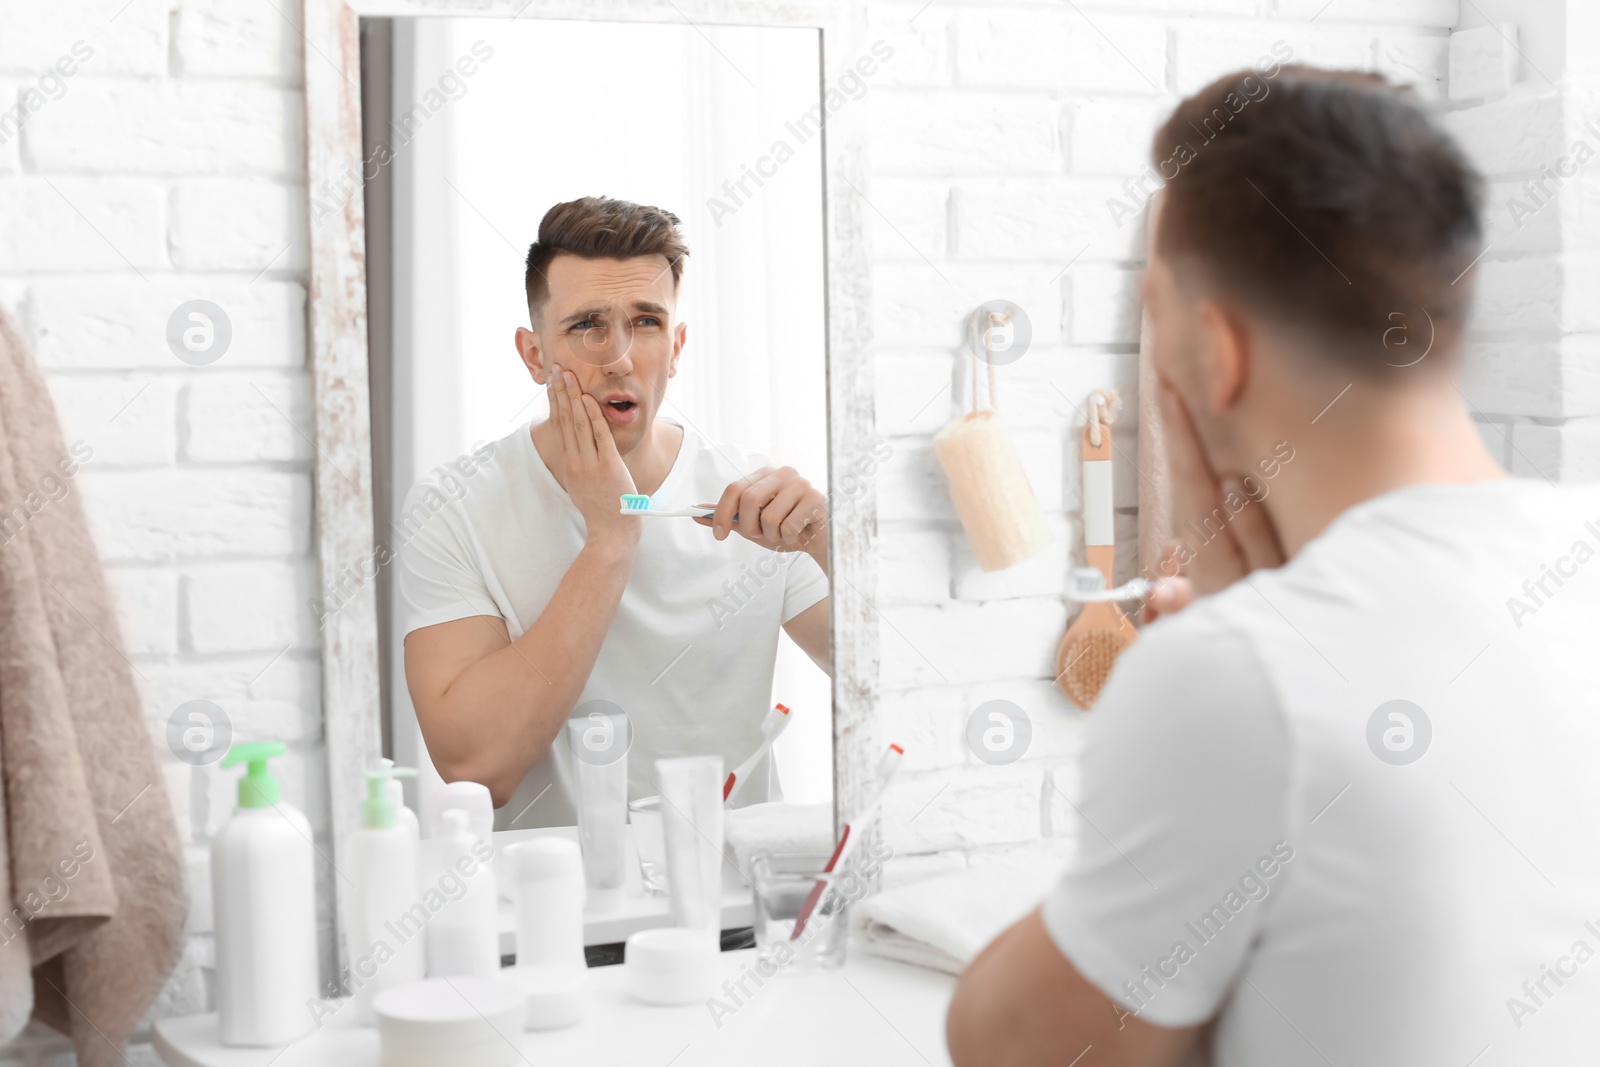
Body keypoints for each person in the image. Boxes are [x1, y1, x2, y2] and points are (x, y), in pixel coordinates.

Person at [947, 67, 1600, 1065]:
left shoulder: (1237, 676)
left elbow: (1009, 1045)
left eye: (1153, 303)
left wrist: (1240, 637)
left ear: (1211, 350)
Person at [396, 197, 830, 828]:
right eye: (586, 325)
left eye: (647, 323)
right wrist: (610, 539)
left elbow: (896, 684)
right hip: (554, 911)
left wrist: (830, 545)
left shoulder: (751, 492)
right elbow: (477, 767)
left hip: (737, 908)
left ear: (677, 347)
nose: (620, 356)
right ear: (534, 354)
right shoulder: (454, 506)